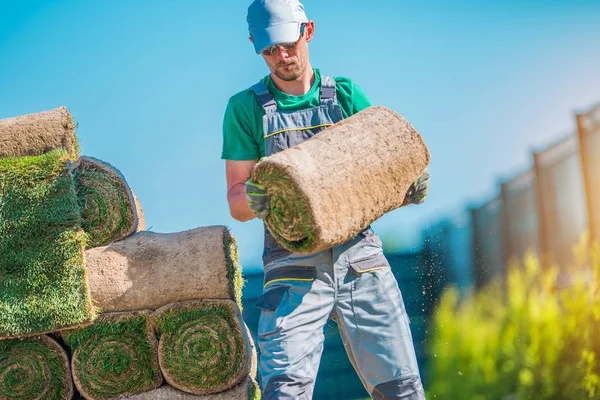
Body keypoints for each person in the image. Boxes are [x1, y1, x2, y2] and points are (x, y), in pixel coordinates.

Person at [222, 0, 429, 398]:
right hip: (291, 270)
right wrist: (255, 196)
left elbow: (386, 163)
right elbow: (235, 199)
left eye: (287, 43)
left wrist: (407, 186)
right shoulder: (245, 109)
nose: (281, 56)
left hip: (361, 260)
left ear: (308, 30)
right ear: (254, 45)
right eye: (268, 50)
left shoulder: (345, 96)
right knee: (284, 392)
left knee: (401, 390)